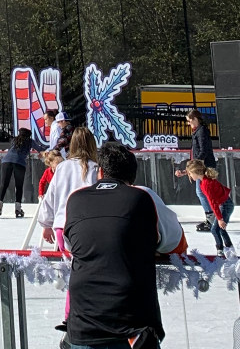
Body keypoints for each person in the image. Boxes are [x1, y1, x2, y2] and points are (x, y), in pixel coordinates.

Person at [63, 142, 167, 349]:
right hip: (130, 327)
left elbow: (71, 245)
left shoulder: (76, 199)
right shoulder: (142, 197)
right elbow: (174, 243)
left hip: (82, 325)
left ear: (100, 171)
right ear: (133, 176)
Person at [37, 126, 99, 254]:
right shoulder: (95, 169)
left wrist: (46, 223)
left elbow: (51, 196)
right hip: (88, 225)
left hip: (62, 225)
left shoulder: (62, 167)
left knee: (67, 266)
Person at [175, 109, 216, 232]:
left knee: (202, 192)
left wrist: (195, 165)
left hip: (204, 166)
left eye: (189, 121)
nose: (188, 124)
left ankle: (211, 218)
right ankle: (211, 217)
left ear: (195, 119)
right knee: (203, 192)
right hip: (201, 166)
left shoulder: (201, 131)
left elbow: (203, 150)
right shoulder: (198, 131)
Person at [187, 160, 233, 257]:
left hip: (225, 205)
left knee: (215, 230)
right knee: (220, 230)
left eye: (190, 174)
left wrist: (220, 219)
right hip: (225, 204)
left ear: (196, 172)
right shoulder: (205, 180)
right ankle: (230, 249)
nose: (190, 176)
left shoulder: (206, 184)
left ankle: (220, 250)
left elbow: (213, 203)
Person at [0, 128, 33, 218]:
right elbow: (40, 148)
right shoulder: (30, 141)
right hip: (19, 163)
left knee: (4, 184)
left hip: (6, 161)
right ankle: (17, 209)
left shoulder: (14, 140)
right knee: (19, 186)